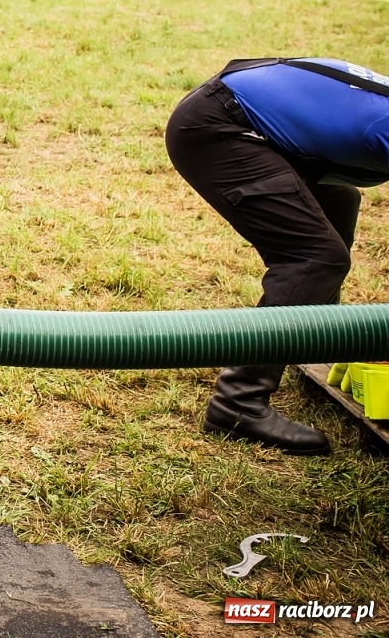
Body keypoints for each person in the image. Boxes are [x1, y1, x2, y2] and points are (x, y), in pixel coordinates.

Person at [165, 57, 389, 455]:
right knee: (316, 257)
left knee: (339, 203)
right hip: (220, 128)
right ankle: (238, 402)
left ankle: (314, 338)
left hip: (252, 117)